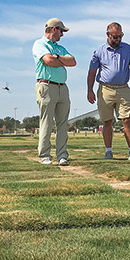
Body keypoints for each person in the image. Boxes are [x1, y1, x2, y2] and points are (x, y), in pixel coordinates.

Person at [87, 22, 130, 160]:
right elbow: (92, 72)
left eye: (120, 36)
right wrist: (90, 90)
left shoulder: (128, 49)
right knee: (107, 121)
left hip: (124, 89)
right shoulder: (99, 51)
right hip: (105, 89)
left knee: (126, 119)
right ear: (108, 35)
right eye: (115, 37)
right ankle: (108, 151)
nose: (118, 39)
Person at [32, 18, 77, 165]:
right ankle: (45, 155)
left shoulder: (59, 48)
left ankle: (62, 155)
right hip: (46, 86)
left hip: (62, 88)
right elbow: (48, 61)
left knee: (62, 123)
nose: (62, 35)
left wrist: (57, 57)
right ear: (53, 29)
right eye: (61, 31)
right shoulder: (39, 44)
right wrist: (61, 60)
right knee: (47, 122)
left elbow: (73, 61)